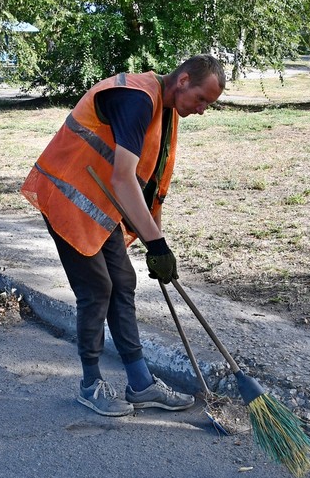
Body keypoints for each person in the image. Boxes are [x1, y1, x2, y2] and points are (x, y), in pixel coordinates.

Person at [21, 55, 226, 417]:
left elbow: (149, 186)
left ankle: (141, 383)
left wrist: (156, 245)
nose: (202, 110)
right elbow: (122, 178)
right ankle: (89, 385)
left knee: (123, 281)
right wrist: (157, 245)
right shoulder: (136, 99)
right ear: (183, 81)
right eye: (202, 99)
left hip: (99, 205)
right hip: (68, 197)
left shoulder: (165, 112)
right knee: (97, 288)